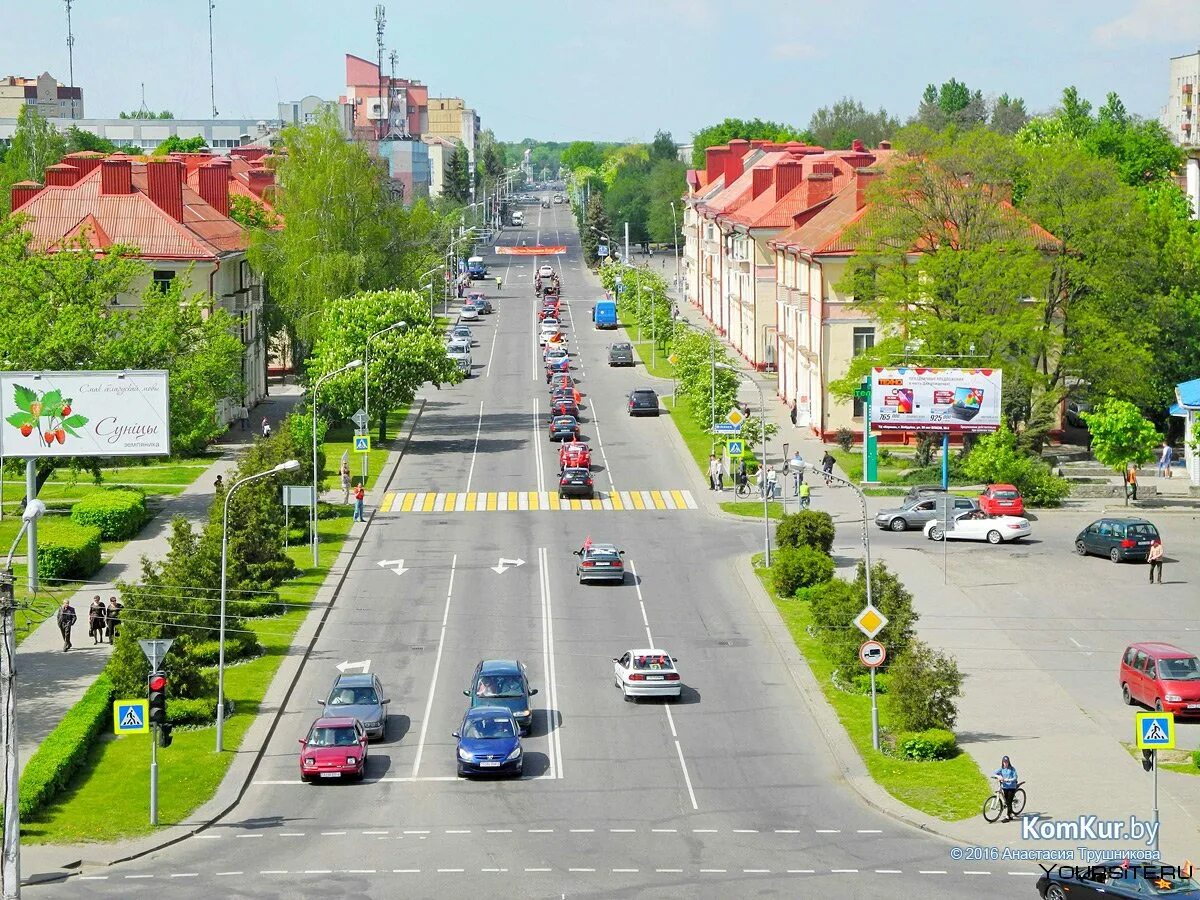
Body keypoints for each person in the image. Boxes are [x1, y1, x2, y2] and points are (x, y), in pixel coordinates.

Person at [993, 756, 1020, 822]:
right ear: (1002, 762)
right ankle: (1010, 814)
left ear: (1009, 762)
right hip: (1005, 787)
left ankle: (1008, 817)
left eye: (1007, 762)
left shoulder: (1012, 769)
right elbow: (994, 773)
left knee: (1009, 802)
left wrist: (1009, 779)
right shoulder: (1001, 769)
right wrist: (998, 776)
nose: (1005, 763)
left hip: (1011, 787)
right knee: (1007, 801)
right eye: (1004, 762)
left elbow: (1015, 777)